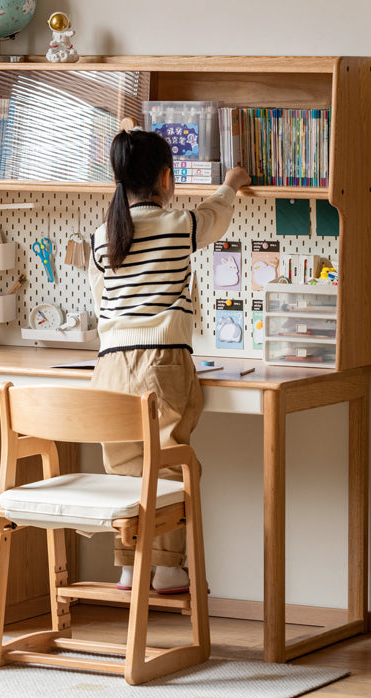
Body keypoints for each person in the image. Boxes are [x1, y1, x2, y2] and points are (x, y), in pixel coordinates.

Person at [88, 127, 251, 594]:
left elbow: (105, 298)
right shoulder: (180, 226)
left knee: (124, 466)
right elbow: (216, 215)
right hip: (161, 361)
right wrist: (232, 182)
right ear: (167, 177)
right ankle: (169, 569)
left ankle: (127, 565)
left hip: (110, 366)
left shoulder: (103, 237)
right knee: (171, 468)